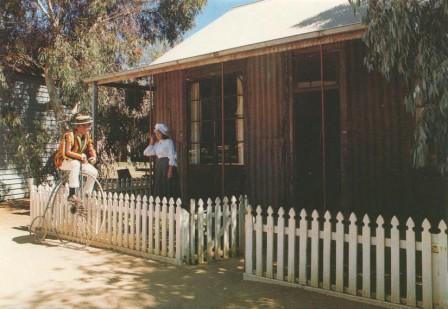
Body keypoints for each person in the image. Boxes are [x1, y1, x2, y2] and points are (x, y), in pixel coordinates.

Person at [54, 113, 98, 213]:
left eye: (89, 125)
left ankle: (85, 195)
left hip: (76, 162)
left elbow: (90, 148)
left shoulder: (87, 136)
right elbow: (66, 152)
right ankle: (72, 194)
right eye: (87, 125)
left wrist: (93, 157)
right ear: (78, 127)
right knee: (75, 164)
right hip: (63, 161)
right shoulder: (69, 136)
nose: (89, 127)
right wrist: (80, 156)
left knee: (94, 172)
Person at [143, 123, 178, 199]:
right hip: (159, 166)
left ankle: (170, 205)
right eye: (156, 133)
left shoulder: (169, 142)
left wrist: (170, 170)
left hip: (167, 165)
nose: (157, 135)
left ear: (163, 133)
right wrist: (151, 142)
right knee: (159, 185)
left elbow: (172, 156)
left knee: (167, 185)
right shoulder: (157, 144)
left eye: (158, 133)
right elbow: (146, 153)